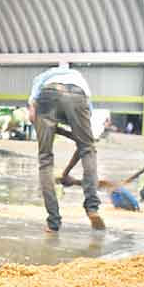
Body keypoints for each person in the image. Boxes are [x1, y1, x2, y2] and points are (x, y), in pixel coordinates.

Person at [28, 66, 106, 232]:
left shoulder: (44, 76)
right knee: (88, 150)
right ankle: (92, 207)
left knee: (45, 160)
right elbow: (84, 146)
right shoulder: (79, 80)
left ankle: (53, 222)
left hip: (46, 96)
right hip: (77, 95)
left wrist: (65, 173)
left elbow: (34, 96)